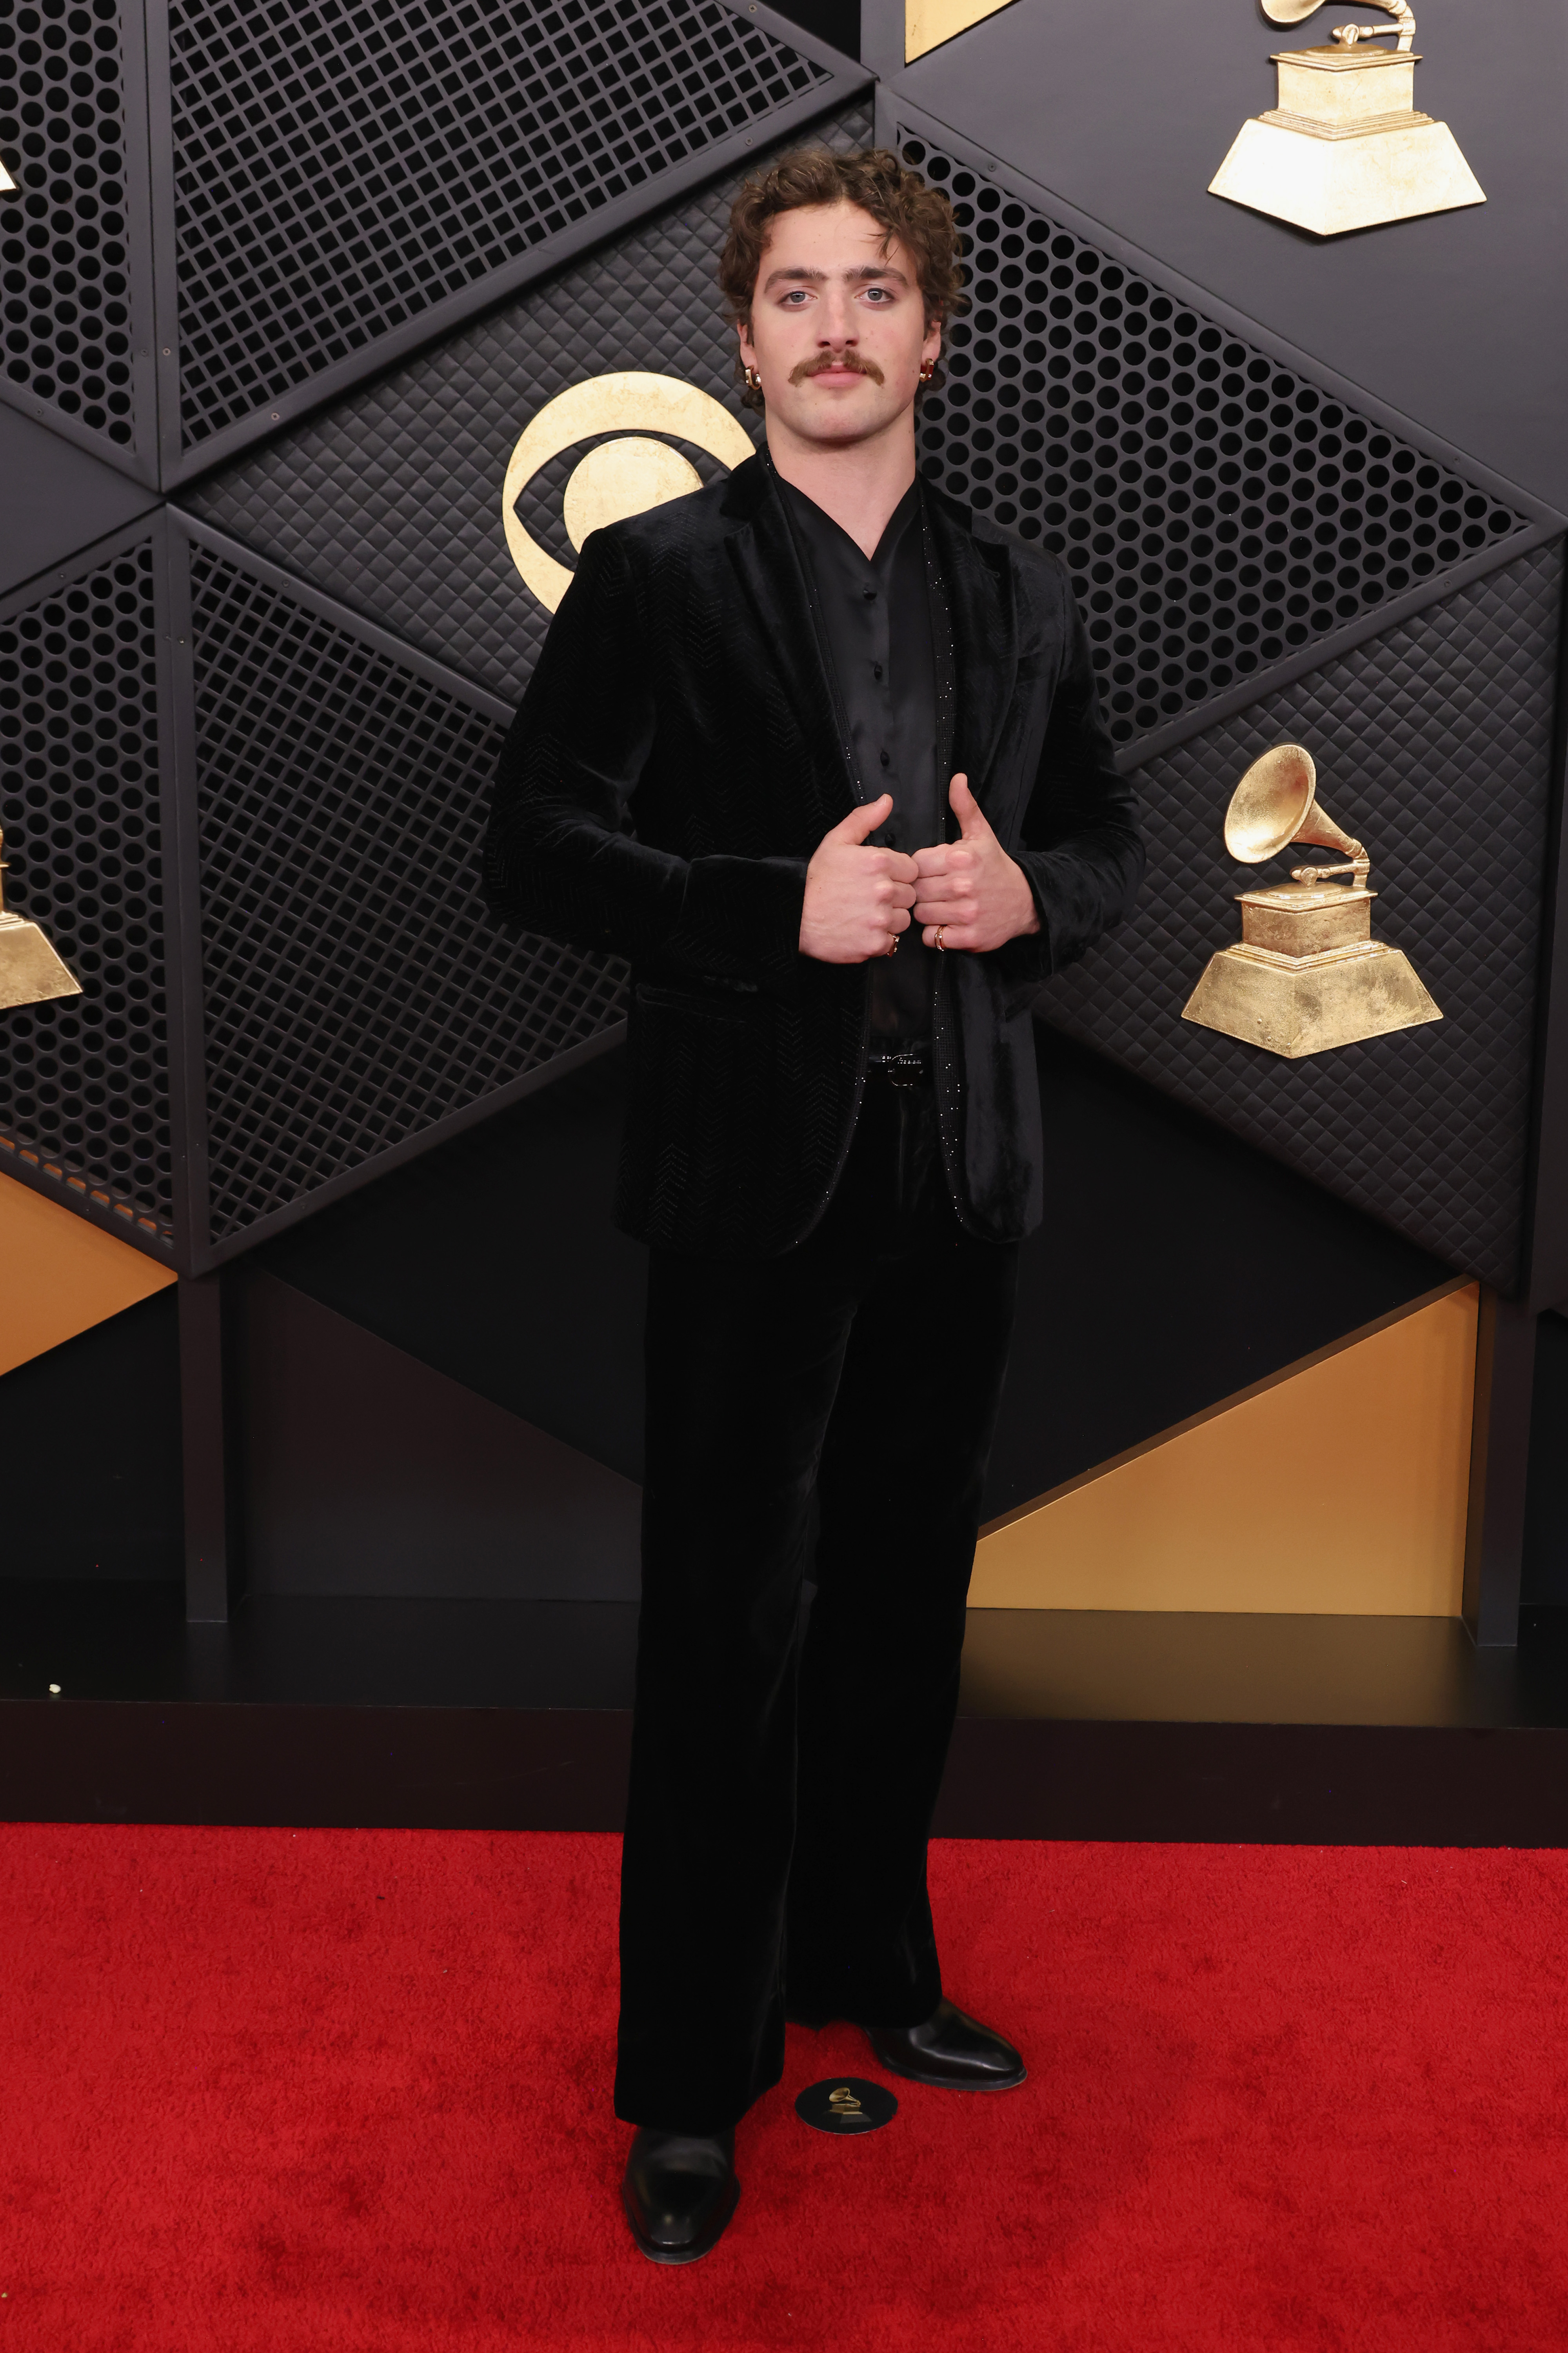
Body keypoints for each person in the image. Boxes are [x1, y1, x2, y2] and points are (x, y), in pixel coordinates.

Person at [483, 145, 1143, 2264]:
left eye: (874, 290)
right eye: (797, 293)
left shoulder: (1024, 589)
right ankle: (693, 2080)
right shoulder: (655, 574)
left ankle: (875, 1969)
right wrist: (776, 907)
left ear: (933, 334)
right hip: (750, 1188)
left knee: (902, 1612)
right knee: (725, 1631)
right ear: (745, 337)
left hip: (962, 1170)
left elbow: (1110, 838)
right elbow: (532, 847)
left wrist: (1033, 899)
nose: (837, 326)